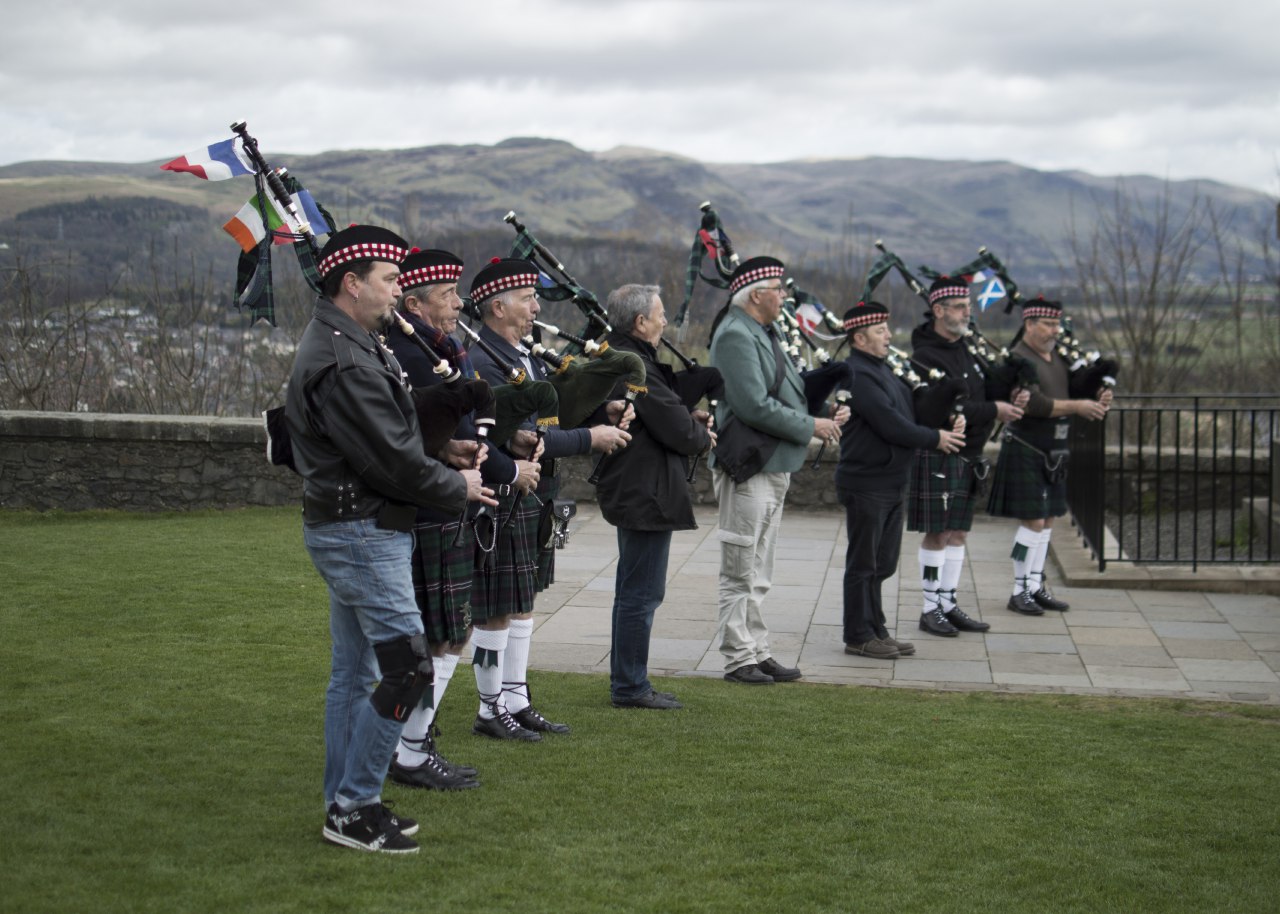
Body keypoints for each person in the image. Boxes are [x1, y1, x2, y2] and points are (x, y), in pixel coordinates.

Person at [284, 225, 496, 854]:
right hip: (361, 528)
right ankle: (353, 807)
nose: (398, 290)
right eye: (390, 280)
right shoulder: (344, 356)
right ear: (352, 284)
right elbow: (387, 464)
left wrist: (442, 445)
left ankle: (346, 802)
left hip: (358, 524)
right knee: (407, 670)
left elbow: (390, 442)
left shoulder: (352, 341)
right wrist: (455, 484)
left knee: (355, 675)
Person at [383, 248, 539, 790]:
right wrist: (505, 467)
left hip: (452, 496)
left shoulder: (440, 348)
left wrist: (495, 449)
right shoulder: (414, 354)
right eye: (448, 295)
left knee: (450, 632)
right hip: (433, 503)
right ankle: (408, 750)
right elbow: (428, 435)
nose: (458, 303)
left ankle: (412, 744)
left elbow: (469, 425)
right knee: (440, 635)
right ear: (414, 302)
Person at [466, 258, 632, 739]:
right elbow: (524, 436)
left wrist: (605, 407)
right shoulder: (483, 361)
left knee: (522, 601)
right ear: (498, 306)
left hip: (533, 493)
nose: (537, 306)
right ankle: (489, 705)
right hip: (499, 494)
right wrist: (590, 439)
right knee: (494, 607)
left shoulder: (523, 355)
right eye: (527, 298)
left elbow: (553, 416)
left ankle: (515, 697)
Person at [708, 256, 847, 684]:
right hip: (749, 465)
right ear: (756, 295)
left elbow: (786, 390)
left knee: (760, 568)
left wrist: (822, 408)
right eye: (778, 289)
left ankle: (757, 648)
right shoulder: (734, 334)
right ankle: (737, 657)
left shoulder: (762, 331)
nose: (785, 296)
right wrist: (813, 426)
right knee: (740, 565)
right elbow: (752, 404)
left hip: (773, 462)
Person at [593, 284, 715, 710]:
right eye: (659, 315)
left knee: (635, 590)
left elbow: (666, 412)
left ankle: (630, 681)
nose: (665, 322)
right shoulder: (633, 364)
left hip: (638, 486)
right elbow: (678, 429)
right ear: (640, 322)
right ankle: (629, 686)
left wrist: (688, 419)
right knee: (641, 593)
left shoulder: (623, 356)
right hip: (644, 490)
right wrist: (701, 433)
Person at [836, 301, 966, 660]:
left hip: (891, 479)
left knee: (882, 563)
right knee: (863, 563)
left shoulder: (885, 370)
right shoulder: (856, 373)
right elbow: (889, 423)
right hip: (866, 481)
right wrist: (935, 438)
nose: (889, 336)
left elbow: (913, 410)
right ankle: (858, 634)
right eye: (880, 331)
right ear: (860, 337)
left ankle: (876, 628)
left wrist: (948, 414)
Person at [907, 276, 1029, 636]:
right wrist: (995, 409)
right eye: (959, 306)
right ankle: (930, 609)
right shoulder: (924, 356)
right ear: (938, 310)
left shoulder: (966, 348)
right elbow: (948, 407)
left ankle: (948, 601)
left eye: (968, 305)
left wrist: (1014, 387)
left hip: (970, 453)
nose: (967, 312)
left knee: (958, 532)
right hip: (942, 452)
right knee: (938, 533)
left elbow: (983, 388)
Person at [987, 298, 1112, 614]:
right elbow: (1035, 405)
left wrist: (1097, 394)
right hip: (1027, 445)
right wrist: (1077, 407)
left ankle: (1034, 584)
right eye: (1048, 325)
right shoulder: (1018, 360)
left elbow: (1077, 388)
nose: (1055, 331)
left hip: (1054, 447)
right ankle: (1019, 590)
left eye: (1057, 324)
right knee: (1032, 522)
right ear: (1029, 324)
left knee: (1048, 521)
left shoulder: (1058, 358)